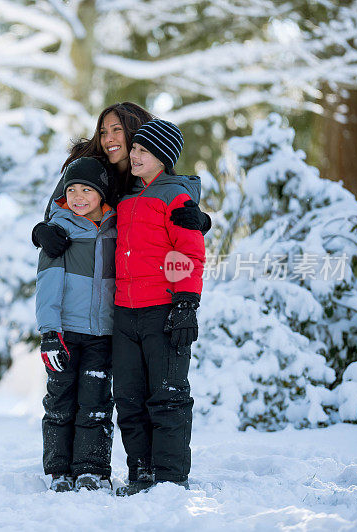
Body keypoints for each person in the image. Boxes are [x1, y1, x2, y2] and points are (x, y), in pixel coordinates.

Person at [112, 119, 205, 496]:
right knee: (129, 399)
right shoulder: (126, 199)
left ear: (162, 158)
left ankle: (170, 477)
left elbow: (188, 251)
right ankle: (142, 472)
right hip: (124, 313)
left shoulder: (176, 197)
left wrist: (185, 304)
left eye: (143, 151)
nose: (133, 155)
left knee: (166, 396)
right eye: (134, 149)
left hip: (162, 310)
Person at [31, 102, 210, 258]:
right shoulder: (86, 171)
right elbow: (54, 213)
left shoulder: (155, 179)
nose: (108, 139)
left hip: (133, 283)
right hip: (85, 273)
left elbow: (177, 232)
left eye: (117, 130)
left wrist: (201, 221)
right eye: (103, 132)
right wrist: (40, 232)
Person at [35, 157, 116, 493]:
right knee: (61, 401)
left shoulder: (116, 227)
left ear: (102, 194)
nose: (78, 196)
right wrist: (50, 332)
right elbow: (48, 283)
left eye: (87, 189)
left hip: (102, 333)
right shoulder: (60, 230)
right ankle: (59, 471)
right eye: (71, 189)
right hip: (66, 332)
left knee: (95, 401)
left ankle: (91, 469)